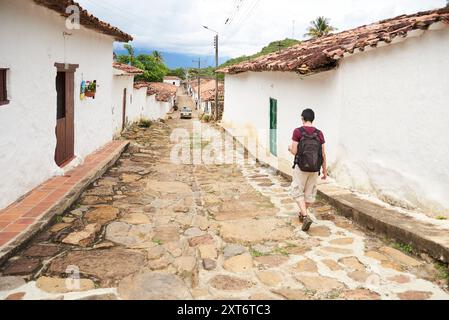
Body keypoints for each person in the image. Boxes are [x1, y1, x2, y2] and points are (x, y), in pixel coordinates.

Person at [288, 108, 327, 232]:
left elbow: (294, 151)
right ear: (313, 119)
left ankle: (305, 216)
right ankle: (302, 213)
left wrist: (289, 149)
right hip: (315, 168)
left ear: (302, 118)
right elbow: (323, 154)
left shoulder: (298, 132)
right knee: (309, 194)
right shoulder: (319, 133)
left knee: (297, 191)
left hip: (301, 167)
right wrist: (324, 171)